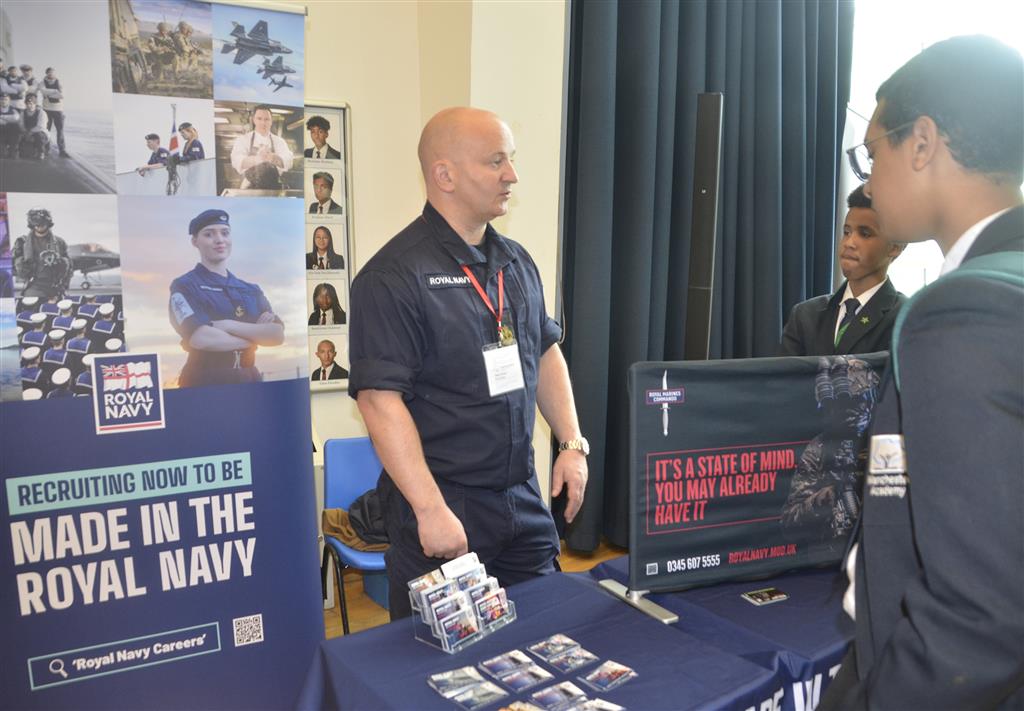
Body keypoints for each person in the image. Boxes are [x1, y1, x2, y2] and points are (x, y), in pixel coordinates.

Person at [819, 36, 1024, 710]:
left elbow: (977, 615)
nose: (869, 181)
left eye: (873, 152)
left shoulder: (960, 313)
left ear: (923, 143)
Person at [349, 107, 588, 620]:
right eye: (495, 161)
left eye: (511, 159)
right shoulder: (392, 276)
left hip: (522, 500)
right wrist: (429, 509)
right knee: (441, 658)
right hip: (444, 508)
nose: (512, 175)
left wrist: (570, 443)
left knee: (547, 636)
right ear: (445, 175)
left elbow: (544, 350)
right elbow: (378, 400)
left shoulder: (517, 262)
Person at [779, 186, 906, 356]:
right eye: (847, 232)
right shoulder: (805, 316)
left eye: (865, 234)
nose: (849, 243)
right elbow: (785, 373)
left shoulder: (905, 319)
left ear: (896, 247)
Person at [168, 209, 284, 387]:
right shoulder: (185, 286)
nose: (219, 240)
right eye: (209, 234)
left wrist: (229, 325)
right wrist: (255, 337)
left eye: (225, 233)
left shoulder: (251, 290)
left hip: (250, 379)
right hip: (204, 382)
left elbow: (276, 335)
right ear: (195, 241)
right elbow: (201, 338)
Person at [781, 356, 879, 549]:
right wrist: (818, 502)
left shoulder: (885, 440)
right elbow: (788, 524)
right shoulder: (820, 447)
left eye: (855, 402)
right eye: (839, 406)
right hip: (831, 551)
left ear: (870, 400)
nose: (847, 411)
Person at [229, 105, 293, 190]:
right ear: (254, 120)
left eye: (267, 119)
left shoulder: (279, 141)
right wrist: (257, 159)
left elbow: (288, 161)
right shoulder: (243, 140)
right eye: (259, 119)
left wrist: (273, 158)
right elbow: (237, 160)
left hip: (273, 188)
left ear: (271, 121)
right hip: (249, 187)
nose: (263, 123)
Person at [12, 208, 71, 299]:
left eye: (43, 224)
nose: (40, 227)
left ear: (48, 223)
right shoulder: (22, 243)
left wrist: (60, 262)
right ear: (32, 225)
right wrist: (22, 266)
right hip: (34, 285)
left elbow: (69, 267)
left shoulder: (60, 242)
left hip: (55, 286)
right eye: (37, 224)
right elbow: (12, 264)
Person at [38, 67, 67, 157]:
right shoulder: (42, 83)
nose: (50, 74)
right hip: (47, 109)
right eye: (49, 72)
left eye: (52, 72)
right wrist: (55, 91)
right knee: (46, 130)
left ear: (54, 73)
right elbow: (43, 91)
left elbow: (62, 95)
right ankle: (46, 148)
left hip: (58, 110)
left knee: (60, 131)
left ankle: (62, 150)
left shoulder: (59, 82)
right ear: (46, 73)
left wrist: (49, 94)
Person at [17, 93, 49, 159]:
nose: (29, 106)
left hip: (40, 133)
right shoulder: (23, 113)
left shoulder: (41, 113)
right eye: (27, 104)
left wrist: (30, 132)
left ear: (35, 104)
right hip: (27, 132)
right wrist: (24, 131)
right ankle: (16, 150)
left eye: (31, 104)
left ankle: (41, 152)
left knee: (39, 135)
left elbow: (41, 126)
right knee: (18, 134)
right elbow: (21, 124)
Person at [0, 93, 22, 158]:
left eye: (6, 99)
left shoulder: (13, 110)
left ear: (9, 101)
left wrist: (2, 117)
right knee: (2, 154)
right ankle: (3, 148)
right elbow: (12, 119)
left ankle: (13, 148)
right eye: (2, 99)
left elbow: (16, 118)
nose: (3, 101)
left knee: (15, 126)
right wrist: (9, 119)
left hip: (10, 133)